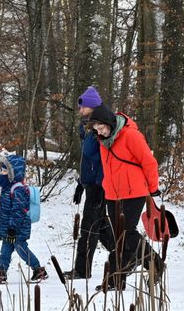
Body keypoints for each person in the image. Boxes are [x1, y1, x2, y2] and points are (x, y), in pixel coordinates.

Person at [85, 103, 165, 291]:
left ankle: (155, 264)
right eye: (96, 129)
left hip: (134, 192)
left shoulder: (131, 135)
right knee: (119, 237)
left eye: (101, 128)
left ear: (110, 122)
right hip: (112, 194)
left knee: (128, 232)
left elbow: (149, 162)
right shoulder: (103, 142)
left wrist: (153, 188)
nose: (100, 132)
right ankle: (117, 278)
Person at [66, 86, 115, 280]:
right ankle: (133, 255)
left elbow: (104, 159)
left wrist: (101, 185)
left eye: (83, 107)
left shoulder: (100, 127)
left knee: (88, 227)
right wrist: (81, 182)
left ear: (92, 107)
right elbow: (87, 160)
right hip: (91, 183)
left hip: (99, 185)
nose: (80, 110)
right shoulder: (87, 127)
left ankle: (82, 269)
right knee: (100, 226)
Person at [0, 152, 47, 284]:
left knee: (21, 248)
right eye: (2, 170)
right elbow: (4, 211)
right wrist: (1, 229)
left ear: (13, 172)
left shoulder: (18, 189)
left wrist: (12, 228)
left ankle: (38, 269)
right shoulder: (7, 188)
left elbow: (19, 211)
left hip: (18, 228)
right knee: (5, 250)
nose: (2, 172)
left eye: (5, 170)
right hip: (8, 228)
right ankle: (2, 271)